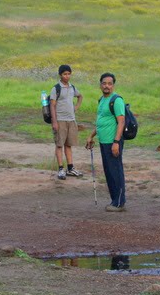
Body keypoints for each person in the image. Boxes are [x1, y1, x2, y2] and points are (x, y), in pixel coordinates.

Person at [85, 73, 126, 212]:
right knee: (109, 172)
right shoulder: (101, 100)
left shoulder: (117, 100)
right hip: (104, 142)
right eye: (104, 83)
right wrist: (91, 136)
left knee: (116, 171)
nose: (106, 86)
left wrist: (116, 142)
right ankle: (114, 200)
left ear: (113, 85)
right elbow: (101, 121)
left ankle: (119, 203)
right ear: (100, 85)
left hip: (113, 142)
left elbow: (121, 122)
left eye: (109, 83)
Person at [50, 65, 84, 180]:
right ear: (60, 75)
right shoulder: (56, 88)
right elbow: (52, 106)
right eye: (65, 74)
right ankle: (60, 169)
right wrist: (54, 122)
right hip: (60, 120)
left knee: (68, 145)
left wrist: (76, 107)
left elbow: (80, 96)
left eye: (69, 74)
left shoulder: (72, 87)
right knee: (59, 145)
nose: (67, 76)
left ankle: (70, 168)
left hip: (71, 120)